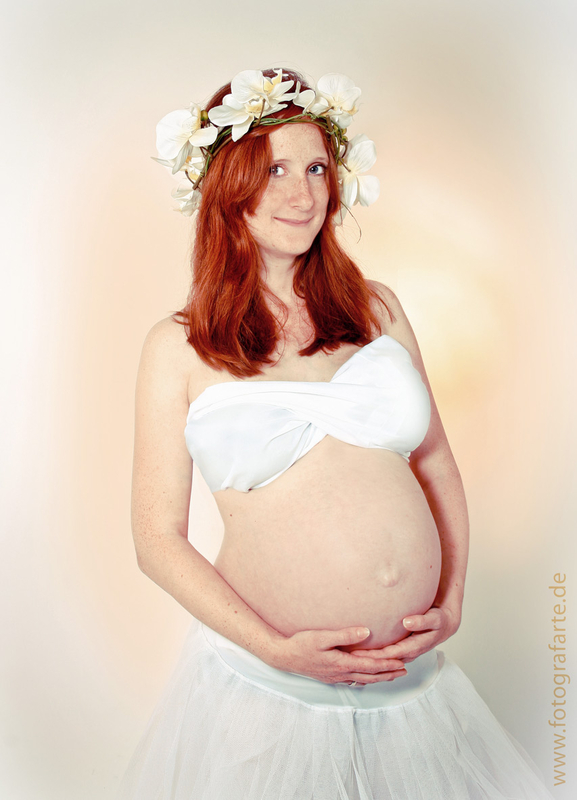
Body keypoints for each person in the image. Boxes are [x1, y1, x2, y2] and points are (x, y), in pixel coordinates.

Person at [119, 68, 553, 799]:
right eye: (274, 171)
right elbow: (156, 539)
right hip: (270, 692)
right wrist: (276, 649)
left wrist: (452, 597)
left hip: (412, 688)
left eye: (316, 168)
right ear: (227, 187)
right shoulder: (178, 346)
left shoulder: (377, 309)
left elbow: (436, 463)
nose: (302, 194)